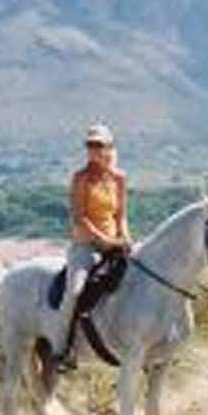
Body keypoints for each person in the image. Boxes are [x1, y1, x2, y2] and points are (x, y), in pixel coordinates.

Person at [54, 122, 130, 368]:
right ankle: (63, 348)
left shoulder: (119, 178)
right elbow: (79, 217)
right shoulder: (81, 178)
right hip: (86, 244)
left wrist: (125, 238)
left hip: (114, 243)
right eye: (90, 145)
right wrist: (104, 240)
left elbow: (121, 215)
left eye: (98, 145)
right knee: (74, 291)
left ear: (109, 147)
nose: (93, 149)